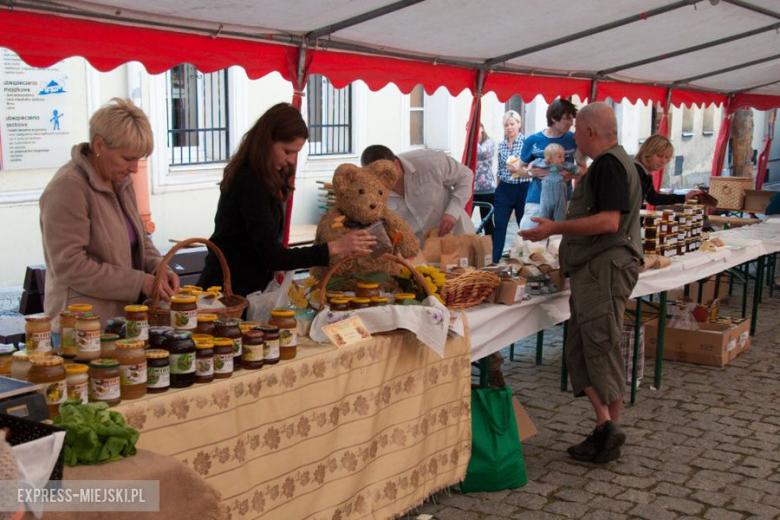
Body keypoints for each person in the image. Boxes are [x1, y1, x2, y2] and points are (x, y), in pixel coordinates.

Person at [520, 102, 643, 463]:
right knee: (582, 348)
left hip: (604, 269)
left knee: (602, 346)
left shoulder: (609, 165)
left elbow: (608, 222)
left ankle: (609, 431)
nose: (573, 138)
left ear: (590, 132)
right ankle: (606, 427)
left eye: (577, 132)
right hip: (595, 269)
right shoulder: (616, 163)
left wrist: (554, 227)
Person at [198, 103, 375, 297]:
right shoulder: (249, 181)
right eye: (287, 151)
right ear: (266, 142)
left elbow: (264, 246)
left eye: (296, 153)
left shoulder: (264, 176)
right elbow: (272, 255)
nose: (291, 160)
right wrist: (335, 247)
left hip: (245, 287)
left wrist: (275, 264)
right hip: (228, 292)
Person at [40, 98, 180, 329]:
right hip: (81, 326)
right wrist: (139, 282)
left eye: (139, 158)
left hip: (122, 321)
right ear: (98, 146)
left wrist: (158, 266)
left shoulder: (121, 182)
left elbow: (139, 237)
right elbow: (70, 265)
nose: (135, 167)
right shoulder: (68, 187)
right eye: (127, 158)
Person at [360, 145, 475, 246]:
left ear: (396, 163)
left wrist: (452, 212)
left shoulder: (429, 161)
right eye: (376, 178)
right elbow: (375, 225)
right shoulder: (368, 190)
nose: (382, 182)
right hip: (420, 254)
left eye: (386, 175)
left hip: (458, 237)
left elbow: (465, 176)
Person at [516, 99, 578, 230]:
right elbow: (518, 169)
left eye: (572, 119)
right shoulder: (533, 140)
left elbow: (583, 169)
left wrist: (571, 176)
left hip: (563, 200)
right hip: (536, 201)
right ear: (554, 118)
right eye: (567, 118)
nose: (571, 123)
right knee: (531, 244)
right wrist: (530, 173)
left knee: (558, 246)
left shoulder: (574, 139)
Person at [491, 110, 527, 263]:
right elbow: (499, 169)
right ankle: (494, 260)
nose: (509, 128)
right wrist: (498, 190)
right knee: (499, 224)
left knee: (523, 225)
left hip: (522, 188)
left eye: (512, 124)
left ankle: (527, 259)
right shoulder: (501, 145)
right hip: (504, 188)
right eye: (506, 125)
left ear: (519, 124)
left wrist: (519, 170)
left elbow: (531, 168)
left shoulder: (526, 143)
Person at [634, 134, 702, 206]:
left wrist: (684, 197)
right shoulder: (637, 171)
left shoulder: (645, 172)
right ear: (648, 152)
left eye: (666, 157)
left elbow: (653, 198)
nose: (663, 161)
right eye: (659, 156)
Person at [533, 143, 576, 222]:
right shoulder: (543, 164)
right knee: (543, 214)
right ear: (549, 158)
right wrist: (530, 171)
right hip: (546, 196)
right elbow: (534, 163)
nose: (563, 159)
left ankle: (559, 228)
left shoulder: (564, 165)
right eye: (559, 157)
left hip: (560, 196)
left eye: (563, 156)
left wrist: (571, 174)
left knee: (560, 215)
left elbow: (575, 168)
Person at [473, 123, 496, 235]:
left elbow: (480, 151)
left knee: (487, 222)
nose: (471, 131)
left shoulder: (489, 142)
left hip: (487, 188)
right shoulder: (471, 144)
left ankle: (490, 249)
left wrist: (473, 138)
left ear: (481, 127)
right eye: (468, 130)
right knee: (464, 220)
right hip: (472, 188)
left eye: (474, 128)